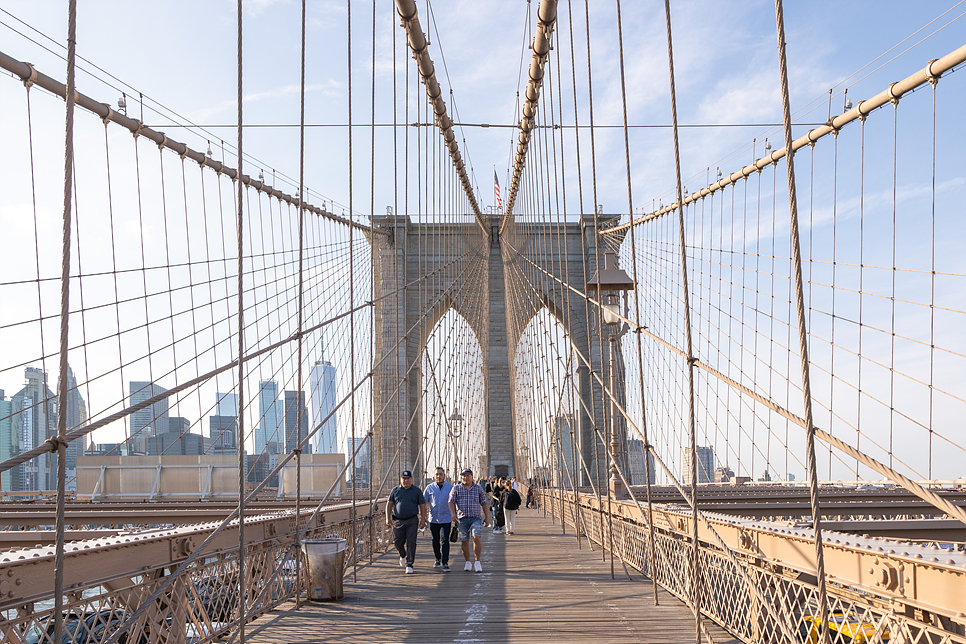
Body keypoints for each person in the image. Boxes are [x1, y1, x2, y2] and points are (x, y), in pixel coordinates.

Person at [448, 467, 490, 572]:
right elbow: (450, 501)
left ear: (472, 477)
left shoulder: (478, 488)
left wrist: (487, 517)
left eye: (468, 476)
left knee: (476, 537)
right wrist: (453, 514)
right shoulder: (456, 488)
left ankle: (477, 562)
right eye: (463, 476)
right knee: (465, 541)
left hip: (475, 518)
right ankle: (467, 562)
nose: (465, 478)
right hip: (462, 518)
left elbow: (484, 503)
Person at [385, 470, 427, 574]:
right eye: (404, 479)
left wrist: (423, 519)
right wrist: (387, 518)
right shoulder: (395, 490)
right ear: (400, 479)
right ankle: (403, 555)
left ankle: (409, 564)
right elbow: (389, 504)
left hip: (412, 519)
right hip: (398, 520)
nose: (406, 480)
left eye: (408, 478)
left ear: (411, 479)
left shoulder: (416, 491)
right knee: (398, 542)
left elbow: (422, 505)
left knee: (411, 542)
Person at [423, 466, 454, 572]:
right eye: (437, 474)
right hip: (433, 519)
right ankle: (437, 558)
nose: (439, 476)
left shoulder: (450, 487)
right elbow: (424, 502)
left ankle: (445, 562)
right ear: (434, 476)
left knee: (445, 540)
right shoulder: (429, 488)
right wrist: (423, 517)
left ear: (444, 475)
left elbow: (455, 501)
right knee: (435, 540)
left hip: (446, 518)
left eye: (441, 474)